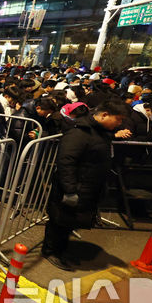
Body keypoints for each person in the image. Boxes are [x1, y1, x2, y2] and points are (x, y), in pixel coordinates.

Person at [42, 100, 130, 271]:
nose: (119, 124)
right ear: (104, 115)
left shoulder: (99, 131)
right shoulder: (79, 133)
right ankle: (50, 251)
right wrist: (69, 191)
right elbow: (66, 161)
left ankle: (61, 250)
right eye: (118, 119)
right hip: (75, 187)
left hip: (87, 186)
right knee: (59, 221)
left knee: (69, 222)